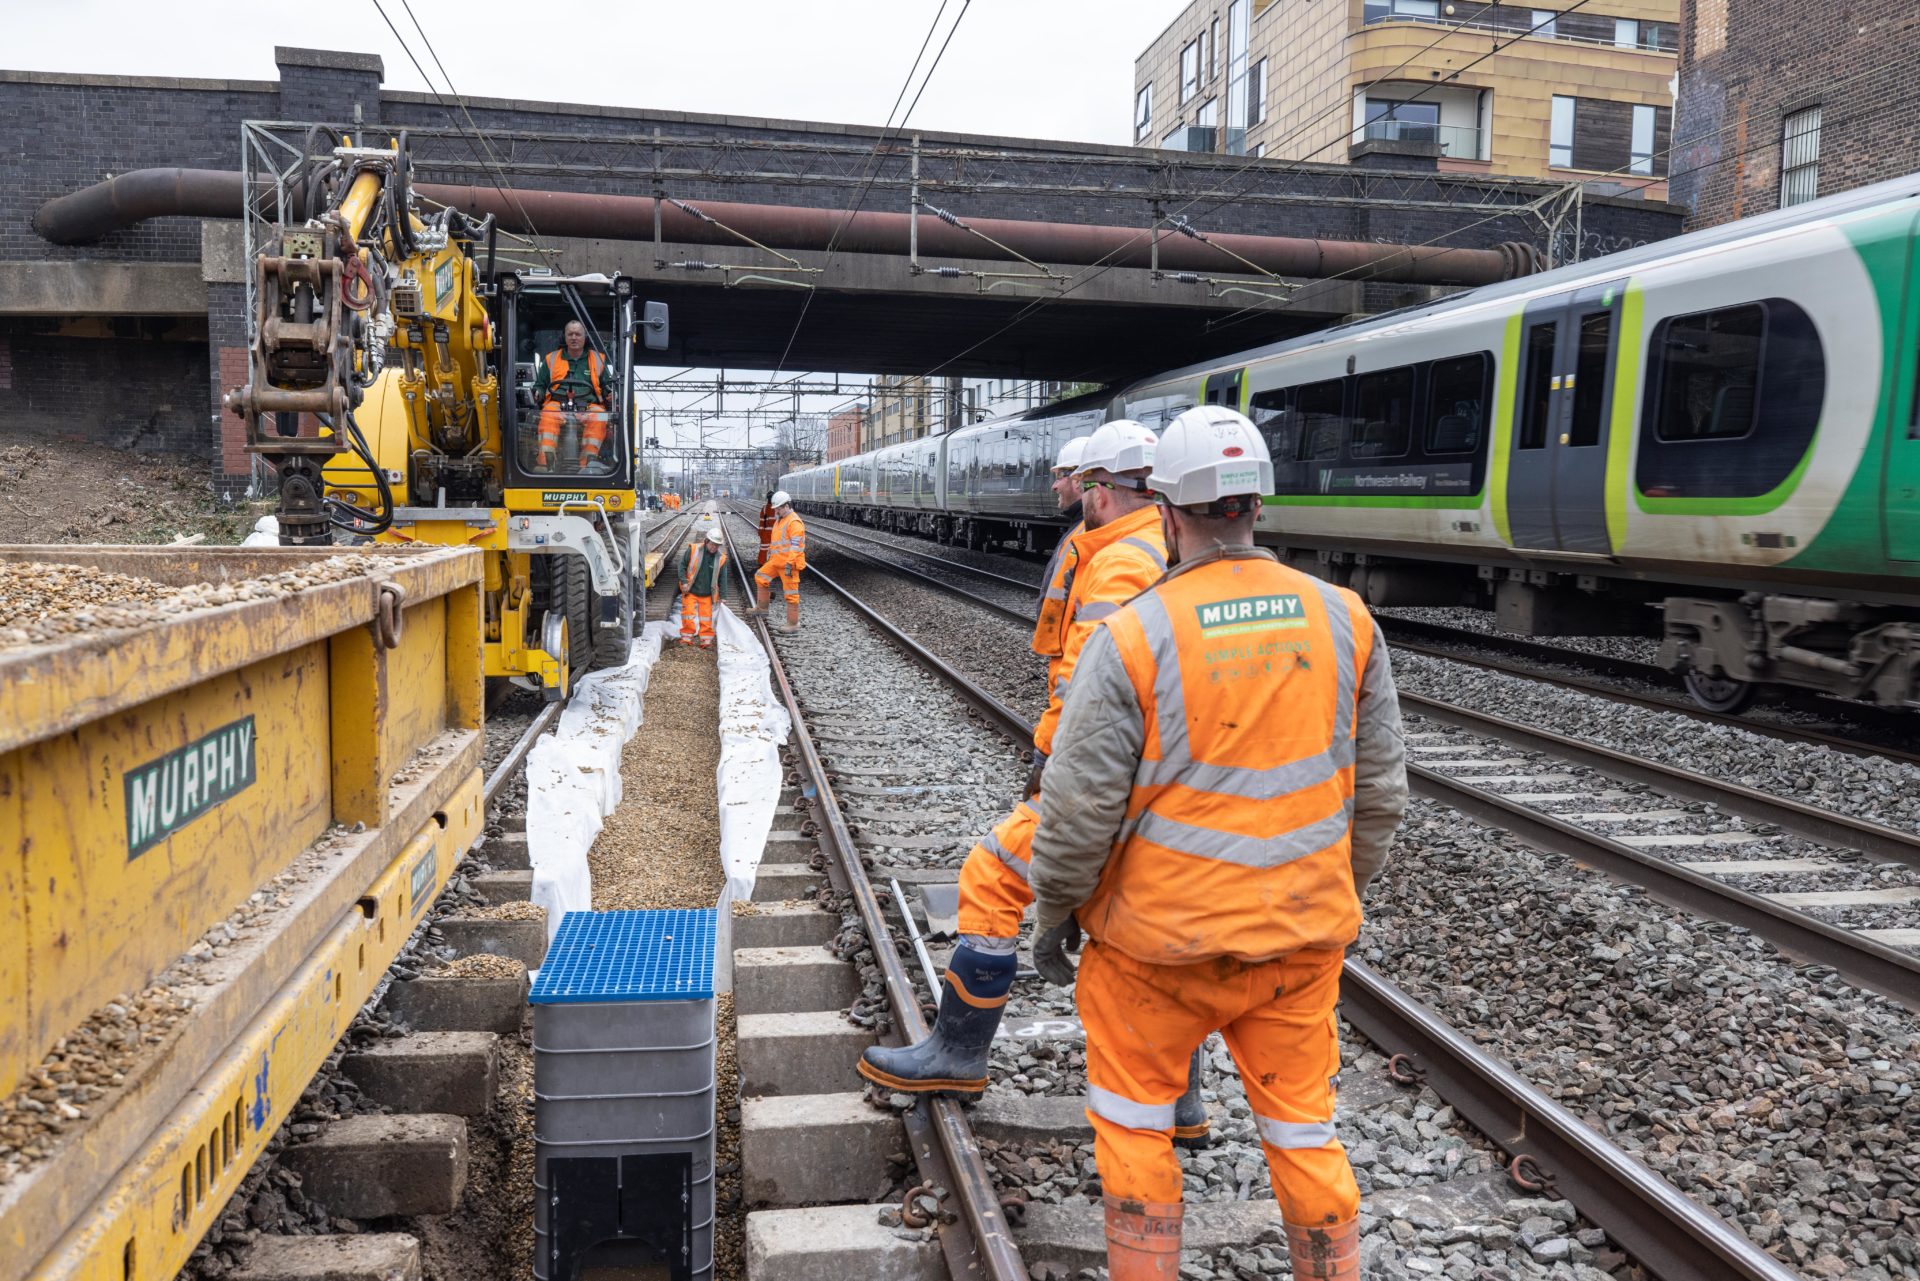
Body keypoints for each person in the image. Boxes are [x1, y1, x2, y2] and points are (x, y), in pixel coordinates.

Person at [1024, 405, 1409, 1281]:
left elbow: (1078, 809)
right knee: (1307, 1134)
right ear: (1256, 508)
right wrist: (1328, 887)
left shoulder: (1135, 635)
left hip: (1155, 950)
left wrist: (1054, 915)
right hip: (1298, 947)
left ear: (1164, 514)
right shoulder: (1346, 619)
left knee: (1135, 1131)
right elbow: (1382, 793)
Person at [857, 420, 1210, 1144]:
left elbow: (1092, 687)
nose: (1060, 487)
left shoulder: (1119, 563)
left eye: (1073, 479)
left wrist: (1055, 769)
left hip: (1104, 781)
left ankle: (958, 1051)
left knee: (990, 875)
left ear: (1103, 490)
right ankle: (1180, 1098)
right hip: (1152, 778)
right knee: (1135, 920)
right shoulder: (1147, 546)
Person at [1032, 436, 1088, 666]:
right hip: (1068, 662)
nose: (1054, 486)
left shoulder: (1089, 535)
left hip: (1075, 666)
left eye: (1059, 476)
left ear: (1078, 479)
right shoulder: (1080, 530)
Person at [531, 321, 612, 472]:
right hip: (557, 404)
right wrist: (537, 393)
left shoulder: (598, 359)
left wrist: (611, 395)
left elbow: (607, 386)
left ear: (584, 337)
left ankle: (587, 465)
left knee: (600, 416)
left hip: (588, 406)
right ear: (565, 337)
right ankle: (545, 464)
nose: (574, 337)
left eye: (578, 334)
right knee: (548, 415)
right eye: (570, 334)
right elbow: (540, 385)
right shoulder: (551, 359)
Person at [753, 490, 806, 633]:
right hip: (776, 561)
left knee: (791, 593)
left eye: (778, 508)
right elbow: (777, 542)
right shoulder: (780, 519)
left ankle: (793, 624)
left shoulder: (794, 522)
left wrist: (789, 563)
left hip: (789, 563)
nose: (776, 511)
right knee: (760, 576)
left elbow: (796, 547)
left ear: (786, 506)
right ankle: (762, 608)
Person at [677, 526, 728, 649]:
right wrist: (683, 581)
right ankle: (686, 638)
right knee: (688, 615)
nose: (714, 547)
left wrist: (723, 596)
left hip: (707, 593)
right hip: (690, 590)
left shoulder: (721, 558)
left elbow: (723, 578)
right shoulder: (693, 550)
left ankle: (706, 641)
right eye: (712, 544)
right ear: (706, 541)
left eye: (717, 545)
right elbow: (682, 565)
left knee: (706, 618)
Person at [757, 491, 779, 567]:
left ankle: (762, 564)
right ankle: (772, 564)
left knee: (764, 549)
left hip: (766, 533)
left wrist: (761, 533)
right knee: (776, 550)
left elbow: (761, 522)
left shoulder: (765, 508)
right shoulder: (778, 508)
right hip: (776, 534)